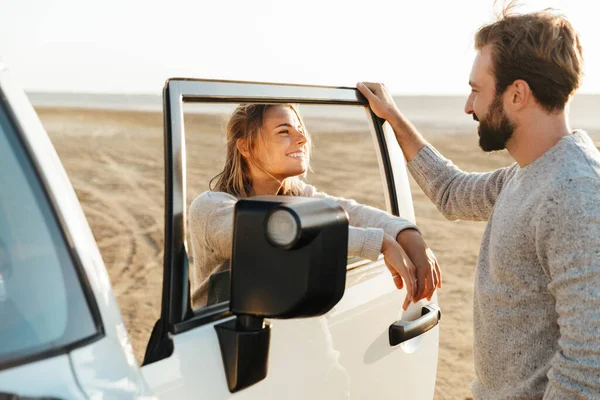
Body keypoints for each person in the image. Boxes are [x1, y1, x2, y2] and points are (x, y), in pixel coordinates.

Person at [357, 5, 600, 400]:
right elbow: (452, 193)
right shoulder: (528, 174)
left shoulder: (572, 192)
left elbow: (589, 365)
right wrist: (394, 118)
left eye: (476, 91)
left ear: (517, 94)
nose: (468, 107)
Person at [188, 103, 441, 310]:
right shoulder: (210, 208)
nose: (302, 139)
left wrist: (409, 235)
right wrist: (381, 243)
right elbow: (270, 235)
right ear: (245, 146)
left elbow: (352, 213)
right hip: (223, 346)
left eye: (300, 129)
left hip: (295, 328)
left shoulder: (296, 193)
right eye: (284, 132)